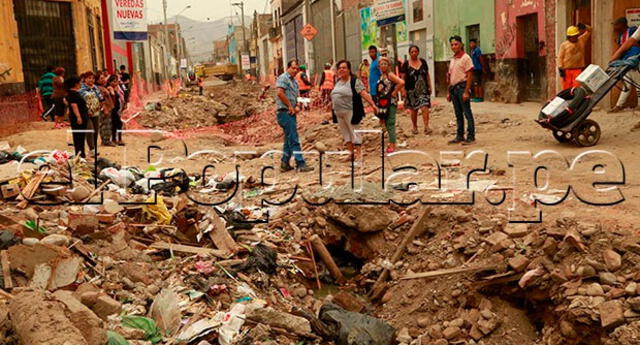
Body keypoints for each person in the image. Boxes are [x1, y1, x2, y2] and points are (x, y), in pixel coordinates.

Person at [330, 60, 378, 161]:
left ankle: (359, 154)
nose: (341, 70)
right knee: (345, 133)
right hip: (338, 112)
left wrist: (373, 105)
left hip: (350, 111)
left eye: (344, 68)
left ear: (349, 70)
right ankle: (351, 154)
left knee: (354, 131)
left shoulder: (354, 81)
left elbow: (364, 93)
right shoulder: (338, 82)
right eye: (340, 68)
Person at [276, 59, 312, 172]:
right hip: (284, 112)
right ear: (288, 68)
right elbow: (280, 93)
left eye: (297, 68)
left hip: (290, 112)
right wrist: (290, 107)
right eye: (293, 68)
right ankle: (300, 163)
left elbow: (294, 97)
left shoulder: (295, 82)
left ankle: (284, 163)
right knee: (294, 139)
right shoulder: (283, 78)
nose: (295, 70)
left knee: (288, 139)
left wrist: (296, 106)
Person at [447, 35, 475, 145]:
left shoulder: (466, 58)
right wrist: (449, 92)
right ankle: (459, 135)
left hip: (462, 87)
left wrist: (466, 91)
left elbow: (469, 75)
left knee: (467, 113)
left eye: (456, 44)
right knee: (458, 114)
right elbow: (450, 76)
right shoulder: (453, 59)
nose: (454, 46)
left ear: (461, 45)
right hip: (454, 89)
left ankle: (471, 136)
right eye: (452, 45)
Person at [375, 56, 404, 153]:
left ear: (388, 65)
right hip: (383, 103)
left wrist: (394, 92)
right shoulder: (381, 76)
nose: (383, 66)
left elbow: (401, 82)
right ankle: (391, 142)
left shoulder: (390, 75)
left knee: (390, 123)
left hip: (390, 102)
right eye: (381, 64)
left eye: (385, 64)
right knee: (385, 123)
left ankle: (393, 144)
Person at [401, 45, 433, 135]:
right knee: (413, 109)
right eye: (412, 52)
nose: (414, 53)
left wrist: (430, 86)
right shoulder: (406, 64)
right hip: (411, 90)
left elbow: (427, 75)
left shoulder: (423, 62)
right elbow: (402, 78)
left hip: (423, 89)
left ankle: (426, 126)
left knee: (424, 107)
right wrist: (403, 90)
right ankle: (414, 127)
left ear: (418, 52)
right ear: (409, 53)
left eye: (415, 51)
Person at [611, 17, 640, 112]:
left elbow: (634, 42)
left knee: (638, 83)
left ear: (622, 24)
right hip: (625, 62)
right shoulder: (621, 36)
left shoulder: (632, 31)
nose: (614, 27)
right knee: (626, 84)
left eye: (616, 24)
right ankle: (619, 105)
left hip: (634, 60)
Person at [558, 23, 592, 90]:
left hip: (578, 69)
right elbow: (560, 57)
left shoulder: (581, 40)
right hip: (566, 70)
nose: (574, 38)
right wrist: (560, 67)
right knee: (566, 89)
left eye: (576, 36)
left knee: (576, 89)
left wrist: (585, 26)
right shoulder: (564, 45)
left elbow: (590, 30)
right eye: (573, 36)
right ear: (569, 37)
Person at [64, 76, 89, 158]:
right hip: (78, 117)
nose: (80, 84)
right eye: (79, 83)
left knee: (80, 136)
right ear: (75, 84)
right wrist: (78, 117)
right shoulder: (73, 94)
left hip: (80, 116)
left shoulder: (72, 93)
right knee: (79, 136)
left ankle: (81, 152)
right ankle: (80, 153)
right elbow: (74, 105)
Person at [79, 71, 103, 155]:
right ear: (85, 79)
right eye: (89, 78)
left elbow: (100, 98)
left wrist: (100, 105)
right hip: (86, 113)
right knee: (90, 130)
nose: (91, 80)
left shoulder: (95, 88)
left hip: (96, 112)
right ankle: (91, 148)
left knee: (96, 130)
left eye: (93, 78)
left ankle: (94, 148)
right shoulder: (81, 89)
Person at [96, 74, 114, 146]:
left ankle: (106, 140)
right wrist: (104, 109)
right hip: (104, 109)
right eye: (101, 78)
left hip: (108, 108)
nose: (103, 80)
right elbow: (101, 100)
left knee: (107, 124)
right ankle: (106, 140)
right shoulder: (99, 89)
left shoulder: (104, 88)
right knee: (105, 125)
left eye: (104, 78)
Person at [107, 75, 125, 146]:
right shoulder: (109, 88)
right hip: (113, 109)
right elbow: (112, 96)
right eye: (114, 81)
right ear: (110, 82)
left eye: (116, 81)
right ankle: (117, 139)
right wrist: (112, 90)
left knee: (115, 124)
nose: (115, 83)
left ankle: (116, 139)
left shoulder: (117, 88)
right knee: (119, 124)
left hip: (117, 109)